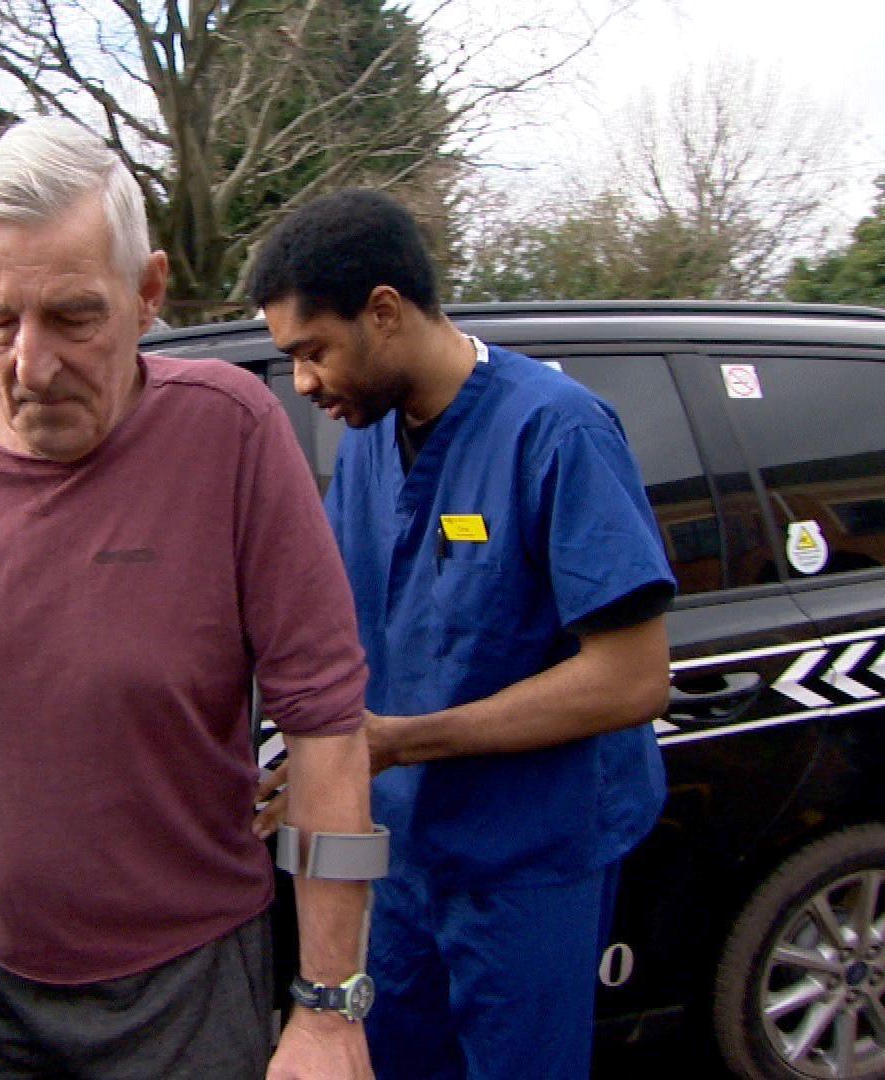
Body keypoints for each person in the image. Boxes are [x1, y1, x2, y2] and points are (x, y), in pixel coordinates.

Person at [0, 118, 380, 1080]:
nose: (29, 367)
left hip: (183, 991)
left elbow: (327, 727)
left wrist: (329, 1007)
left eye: (75, 317)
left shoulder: (230, 434)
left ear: (147, 293)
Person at [247, 189, 675, 1079]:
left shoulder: (554, 432)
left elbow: (631, 679)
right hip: (404, 857)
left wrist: (399, 744)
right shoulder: (368, 437)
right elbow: (327, 619)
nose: (306, 383)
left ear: (385, 312)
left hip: (528, 862)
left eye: (313, 351)